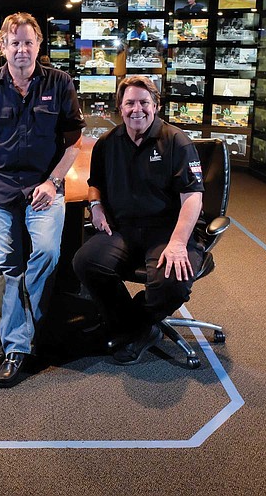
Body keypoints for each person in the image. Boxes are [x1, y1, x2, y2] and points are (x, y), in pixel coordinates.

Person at [0, 12, 85, 388]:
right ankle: (19, 346)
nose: (21, 49)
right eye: (14, 42)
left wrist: (53, 181)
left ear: (38, 46)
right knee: (6, 263)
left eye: (28, 42)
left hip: (44, 187)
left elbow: (74, 142)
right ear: (3, 47)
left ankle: (19, 330)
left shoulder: (60, 83)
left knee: (47, 253)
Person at [72, 75, 205, 365]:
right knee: (85, 262)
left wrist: (179, 243)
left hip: (167, 233)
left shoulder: (176, 142)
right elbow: (95, 182)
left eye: (144, 102)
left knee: (173, 281)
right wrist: (95, 204)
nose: (137, 109)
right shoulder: (107, 143)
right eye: (130, 103)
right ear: (120, 108)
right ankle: (141, 325)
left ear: (156, 106)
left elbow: (193, 197)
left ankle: (136, 326)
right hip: (125, 230)